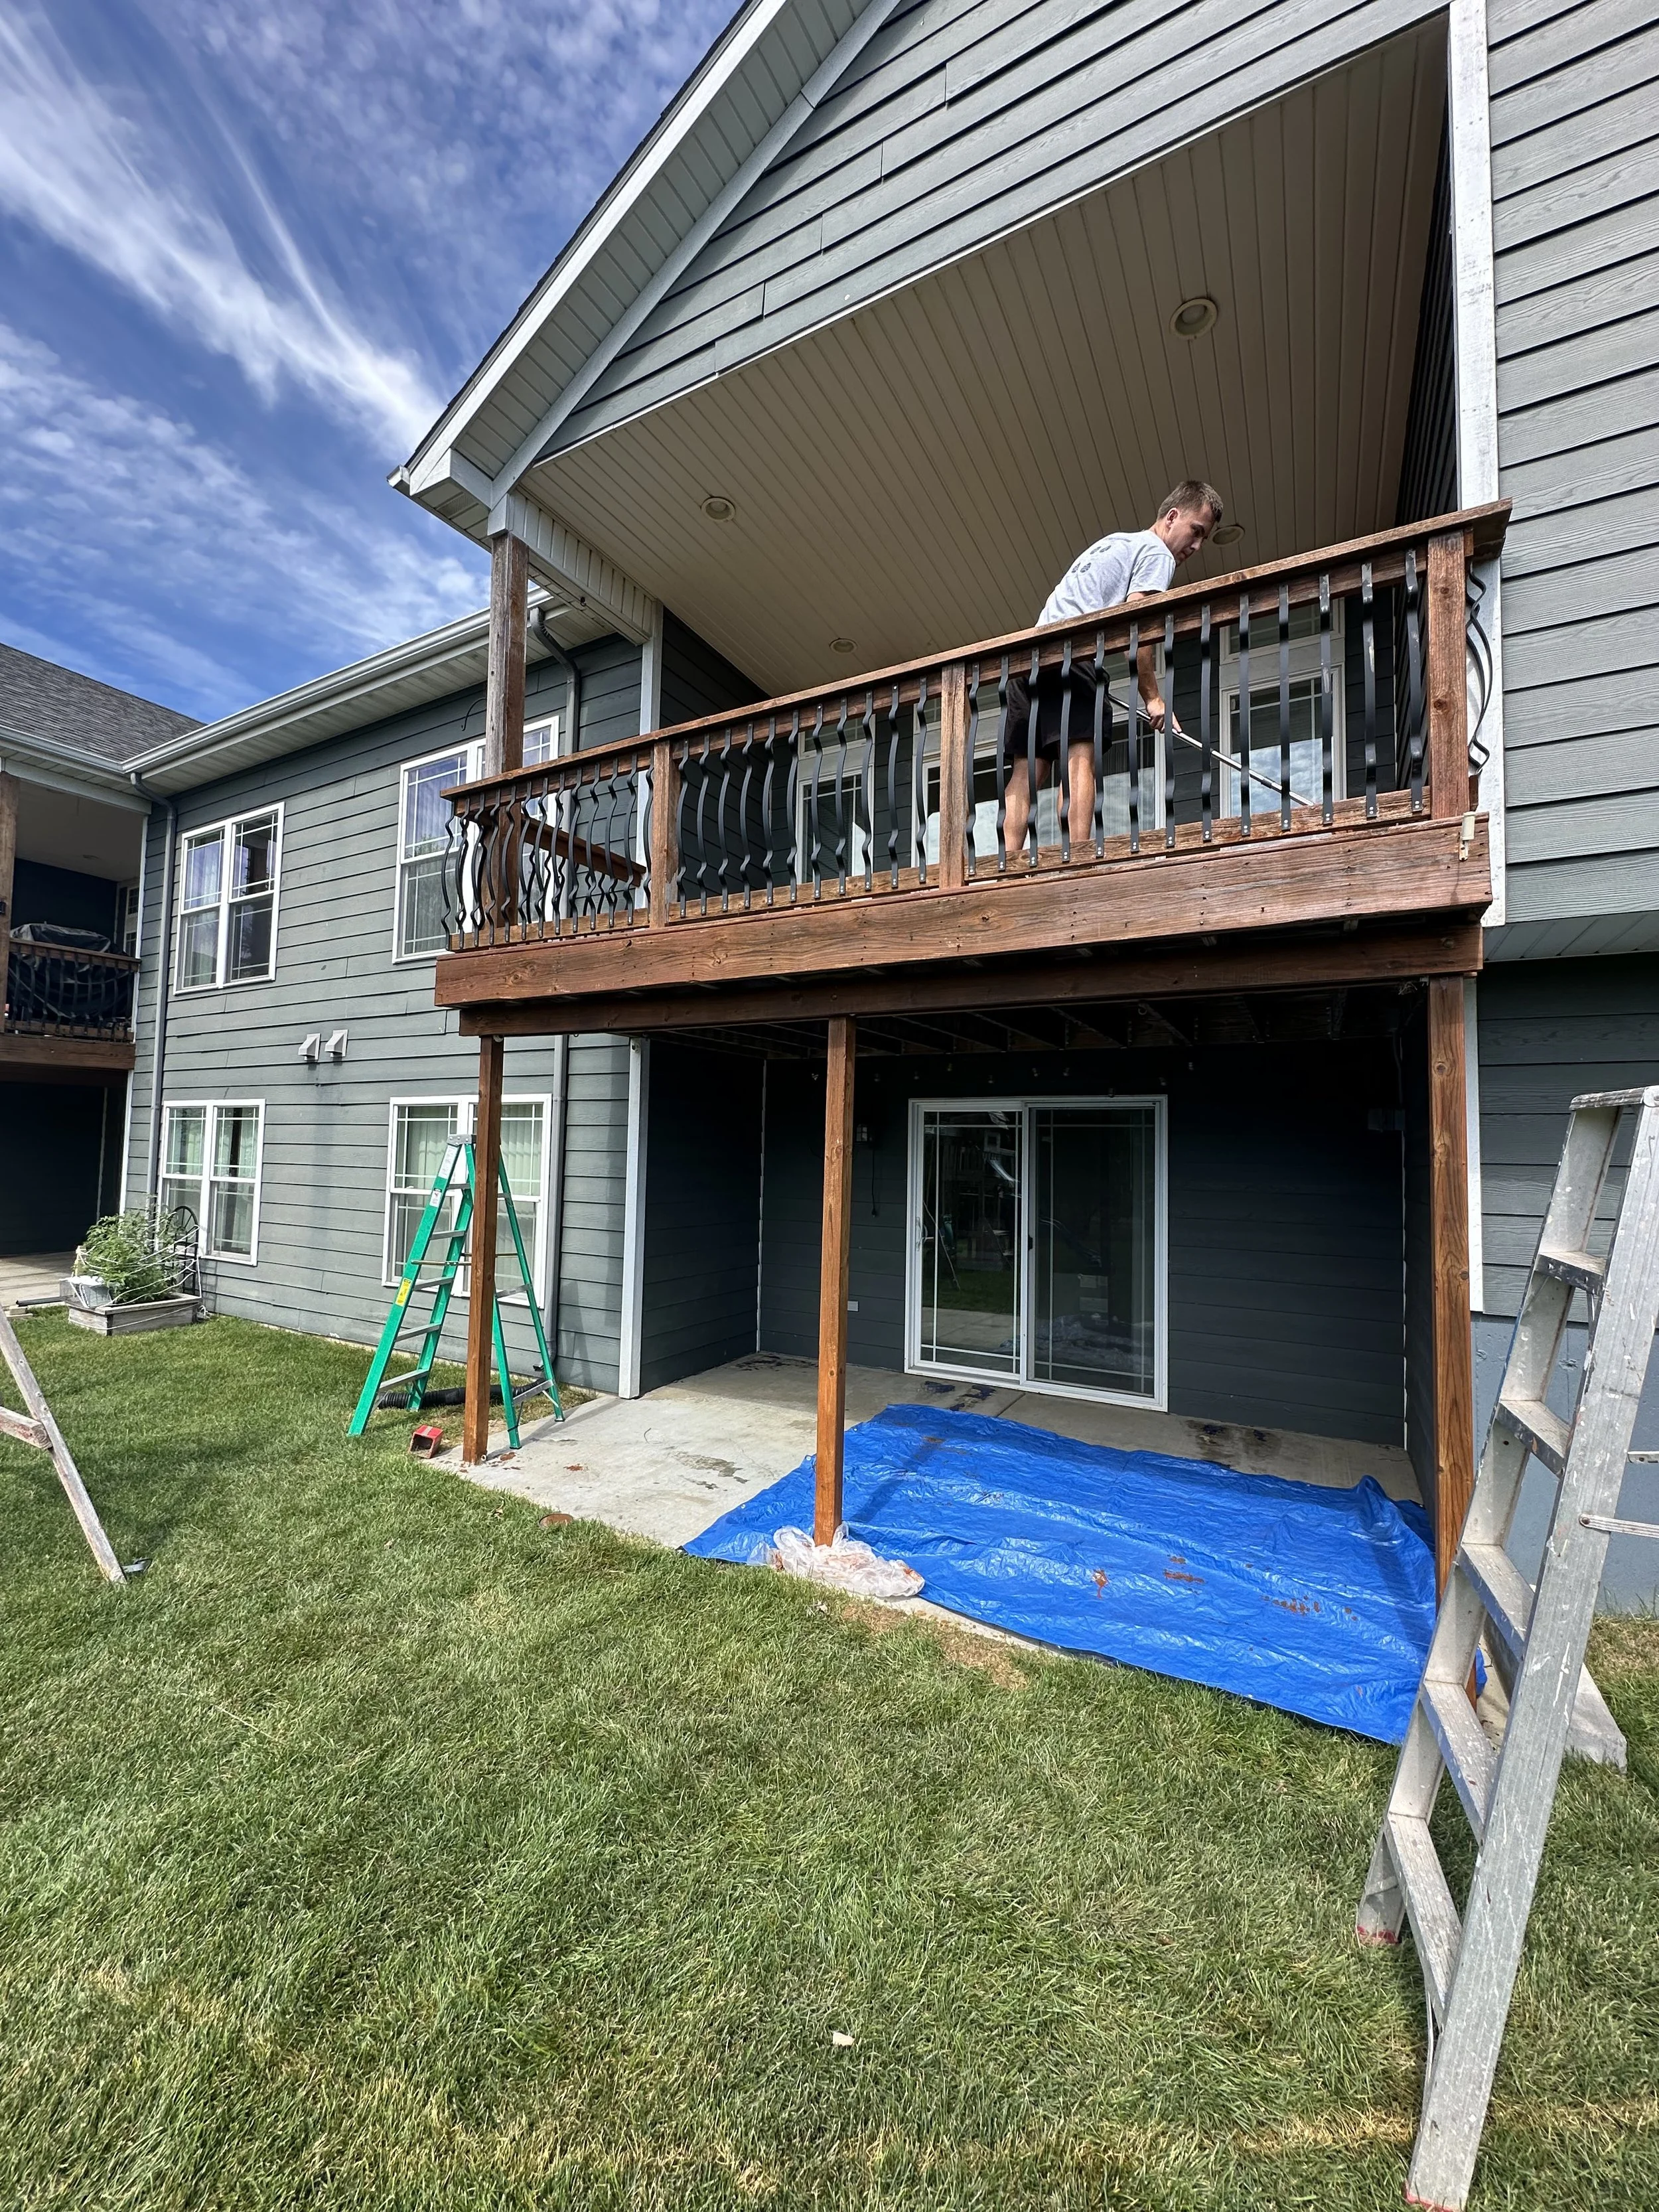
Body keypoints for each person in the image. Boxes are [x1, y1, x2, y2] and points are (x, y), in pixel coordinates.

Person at [1002, 479, 1222, 857]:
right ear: (1172, 517)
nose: (1197, 546)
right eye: (1196, 531)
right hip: (1072, 659)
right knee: (1079, 759)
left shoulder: (1117, 541)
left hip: (1030, 661)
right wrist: (1153, 699)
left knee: (1028, 769)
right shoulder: (1157, 554)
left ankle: (1006, 864)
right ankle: (1078, 861)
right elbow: (1136, 631)